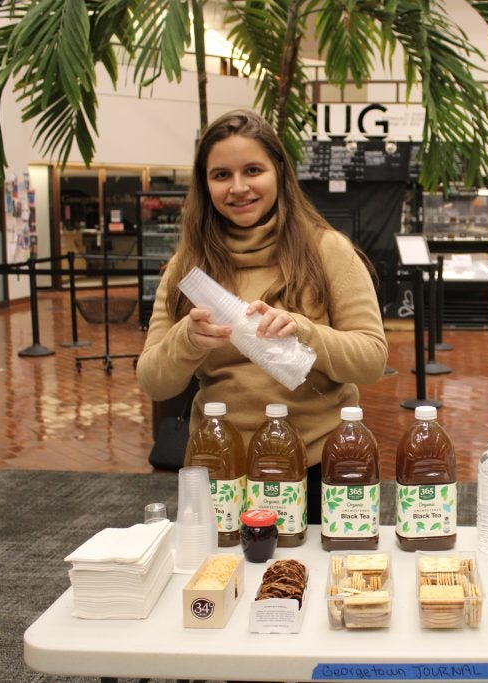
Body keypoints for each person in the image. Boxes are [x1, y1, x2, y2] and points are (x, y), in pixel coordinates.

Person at [137, 109, 388, 520]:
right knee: (222, 580)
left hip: (315, 465)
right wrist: (187, 341)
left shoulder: (327, 251)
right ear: (205, 185)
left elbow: (372, 360)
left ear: (279, 174)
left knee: (312, 579)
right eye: (221, 175)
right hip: (220, 467)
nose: (238, 188)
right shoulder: (188, 267)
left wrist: (305, 331)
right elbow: (154, 381)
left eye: (253, 170)